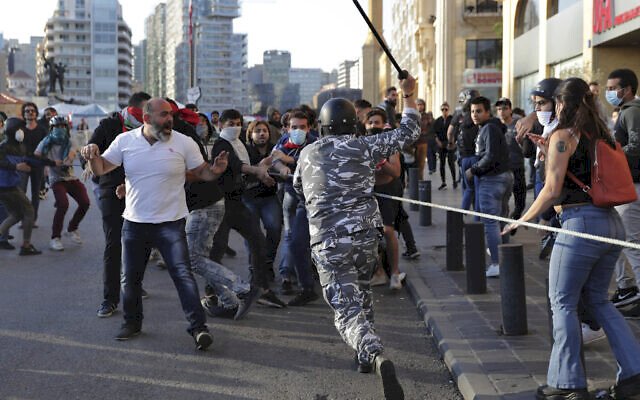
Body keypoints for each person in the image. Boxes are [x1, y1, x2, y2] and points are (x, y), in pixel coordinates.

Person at [503, 77, 640, 400]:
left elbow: (551, 190)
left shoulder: (564, 136)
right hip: (610, 224)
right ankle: (634, 373)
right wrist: (547, 150)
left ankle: (567, 383)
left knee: (562, 302)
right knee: (598, 299)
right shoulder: (601, 135)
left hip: (580, 224)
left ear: (562, 104)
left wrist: (520, 220)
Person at [294, 73, 420, 400]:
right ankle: (365, 357)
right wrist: (409, 96)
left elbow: (297, 188)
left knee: (347, 310)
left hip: (328, 240)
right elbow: (409, 132)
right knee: (362, 291)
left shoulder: (307, 154)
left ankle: (373, 350)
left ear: (321, 125)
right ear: (354, 123)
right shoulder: (365, 145)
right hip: (365, 235)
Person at [81, 98, 224, 350]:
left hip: (171, 223)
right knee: (131, 279)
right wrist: (92, 154)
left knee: (183, 276)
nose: (169, 119)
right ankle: (132, 323)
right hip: (135, 223)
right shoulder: (125, 141)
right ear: (146, 119)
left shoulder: (184, 142)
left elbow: (203, 172)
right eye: (163, 115)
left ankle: (198, 328)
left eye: (170, 115)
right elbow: (101, 168)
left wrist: (216, 170)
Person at [209, 109, 286, 309]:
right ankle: (212, 294)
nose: (234, 127)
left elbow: (246, 174)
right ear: (220, 126)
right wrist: (257, 171)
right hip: (220, 204)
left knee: (258, 241)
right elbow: (236, 166)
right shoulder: (221, 144)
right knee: (217, 250)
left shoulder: (239, 144)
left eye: (237, 122)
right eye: (229, 123)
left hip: (237, 203)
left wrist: (261, 171)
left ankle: (261, 289)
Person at [89, 92, 151, 317]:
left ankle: (134, 283)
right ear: (133, 109)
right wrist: (90, 153)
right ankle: (110, 298)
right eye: (144, 113)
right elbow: (91, 148)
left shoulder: (151, 129)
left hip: (140, 190)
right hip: (110, 191)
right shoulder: (109, 125)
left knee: (141, 242)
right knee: (114, 242)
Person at [271, 110, 320, 306]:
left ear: (309, 128)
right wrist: (280, 166)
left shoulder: (315, 143)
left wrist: (289, 160)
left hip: (311, 200)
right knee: (293, 238)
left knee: (306, 241)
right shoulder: (284, 140)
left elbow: (312, 164)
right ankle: (289, 277)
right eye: (294, 127)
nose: (298, 131)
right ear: (287, 128)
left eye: (302, 127)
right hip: (291, 195)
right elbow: (274, 157)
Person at [465, 96, 511, 278]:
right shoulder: (489, 127)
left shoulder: (489, 128)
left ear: (487, 112)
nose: (475, 115)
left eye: (478, 111)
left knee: (491, 222)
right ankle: (505, 260)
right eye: (472, 111)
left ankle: (497, 263)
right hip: (502, 177)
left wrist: (473, 170)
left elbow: (490, 155)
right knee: (499, 220)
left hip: (492, 179)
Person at [606, 69, 640, 312]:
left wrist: (611, 153)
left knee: (631, 243)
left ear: (626, 89)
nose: (610, 93)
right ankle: (627, 287)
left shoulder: (633, 112)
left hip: (633, 187)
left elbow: (636, 147)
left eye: (612, 88)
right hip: (629, 186)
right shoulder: (627, 112)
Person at [364, 107, 407, 290]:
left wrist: (381, 162)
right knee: (371, 234)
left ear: (384, 125)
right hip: (369, 192)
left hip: (388, 191)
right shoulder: (361, 143)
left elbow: (396, 172)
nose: (374, 126)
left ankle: (395, 272)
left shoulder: (390, 144)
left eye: (377, 123)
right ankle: (379, 271)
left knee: (388, 231)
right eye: (371, 122)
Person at [35, 116, 90, 251]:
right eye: (56, 127)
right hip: (56, 178)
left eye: (62, 127)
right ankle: (55, 238)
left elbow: (72, 153)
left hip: (70, 177)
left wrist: (70, 159)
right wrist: (51, 163)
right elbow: (37, 155)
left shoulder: (69, 141)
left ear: (66, 128)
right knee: (63, 204)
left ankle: (72, 228)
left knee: (85, 202)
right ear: (51, 128)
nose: (60, 129)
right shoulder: (46, 142)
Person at [242, 120, 283, 291]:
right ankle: (254, 268)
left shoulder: (275, 150)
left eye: (264, 130)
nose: (261, 134)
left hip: (269, 197)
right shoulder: (245, 151)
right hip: (249, 198)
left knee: (274, 228)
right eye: (257, 131)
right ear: (251, 134)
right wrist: (259, 169)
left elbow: (281, 172)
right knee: (252, 234)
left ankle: (267, 263)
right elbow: (243, 174)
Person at [0, 118, 43, 255]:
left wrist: (52, 163)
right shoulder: (3, 146)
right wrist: (16, 166)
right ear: (12, 130)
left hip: (9, 185)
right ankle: (26, 245)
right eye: (20, 128)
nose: (22, 131)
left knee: (16, 214)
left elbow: (29, 158)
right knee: (29, 210)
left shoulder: (20, 146)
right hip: (7, 186)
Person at [495, 98, 526, 221]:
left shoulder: (519, 123)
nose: (502, 112)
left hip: (517, 166)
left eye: (504, 108)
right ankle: (505, 224)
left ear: (510, 110)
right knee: (502, 200)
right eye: (499, 109)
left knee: (520, 200)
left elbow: (526, 144)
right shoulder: (494, 125)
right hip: (502, 169)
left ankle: (515, 217)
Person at [18, 103, 48, 226]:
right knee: (21, 193)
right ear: (24, 114)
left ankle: (32, 220)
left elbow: (46, 148)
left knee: (36, 194)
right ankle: (23, 218)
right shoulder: (20, 130)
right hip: (23, 165)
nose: (30, 112)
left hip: (38, 166)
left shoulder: (42, 130)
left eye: (32, 111)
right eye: (27, 111)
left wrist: (46, 166)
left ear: (36, 113)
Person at [434, 101, 456, 190]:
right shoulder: (438, 120)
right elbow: (434, 133)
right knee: (441, 164)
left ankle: (454, 180)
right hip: (441, 144)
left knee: (451, 163)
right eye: (442, 109)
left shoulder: (452, 119)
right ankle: (443, 182)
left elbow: (455, 131)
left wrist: (452, 142)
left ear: (448, 110)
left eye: (446, 109)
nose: (444, 111)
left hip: (450, 143)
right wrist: (438, 142)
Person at [414, 99, 433, 181]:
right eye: (418, 104)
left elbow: (431, 127)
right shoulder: (413, 115)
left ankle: (420, 179)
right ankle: (411, 180)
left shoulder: (426, 116)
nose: (420, 106)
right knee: (413, 163)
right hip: (414, 143)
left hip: (423, 142)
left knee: (421, 163)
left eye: (421, 104)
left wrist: (426, 133)